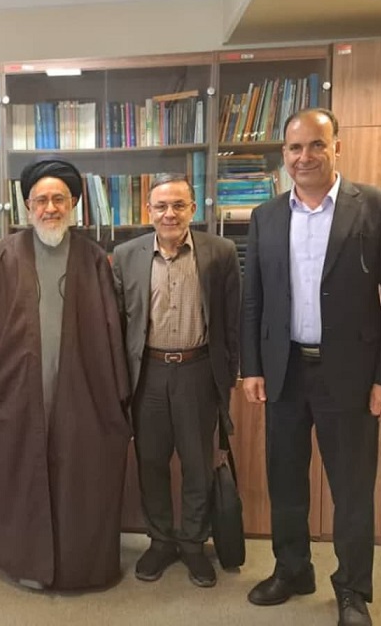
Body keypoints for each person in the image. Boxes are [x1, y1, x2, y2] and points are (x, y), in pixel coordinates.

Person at [241, 108, 381, 626]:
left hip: (352, 375)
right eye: (295, 148)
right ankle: (293, 569)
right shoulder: (266, 216)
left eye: (316, 144)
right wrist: (253, 366)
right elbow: (255, 299)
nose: (305, 157)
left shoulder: (379, 207)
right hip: (286, 369)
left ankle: (352, 589)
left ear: (337, 146)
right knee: (285, 481)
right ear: (284, 156)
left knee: (352, 490)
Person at [0, 157, 132, 591]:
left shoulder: (92, 257)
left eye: (59, 199)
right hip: (18, 392)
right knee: (21, 472)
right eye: (41, 200)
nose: (50, 208)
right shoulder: (8, 253)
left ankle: (77, 567)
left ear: (73, 204)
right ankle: (24, 562)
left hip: (82, 394)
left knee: (79, 476)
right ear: (27, 206)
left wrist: (116, 394)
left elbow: (110, 330)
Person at [112, 174, 240, 589]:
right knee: (151, 462)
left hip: (197, 371)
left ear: (193, 209)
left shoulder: (220, 252)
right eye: (161, 206)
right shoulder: (126, 255)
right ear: (148, 210)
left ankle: (192, 543)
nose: (170, 214)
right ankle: (161, 540)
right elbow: (117, 323)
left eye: (178, 205)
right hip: (147, 373)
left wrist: (229, 379)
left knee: (197, 464)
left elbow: (232, 320)